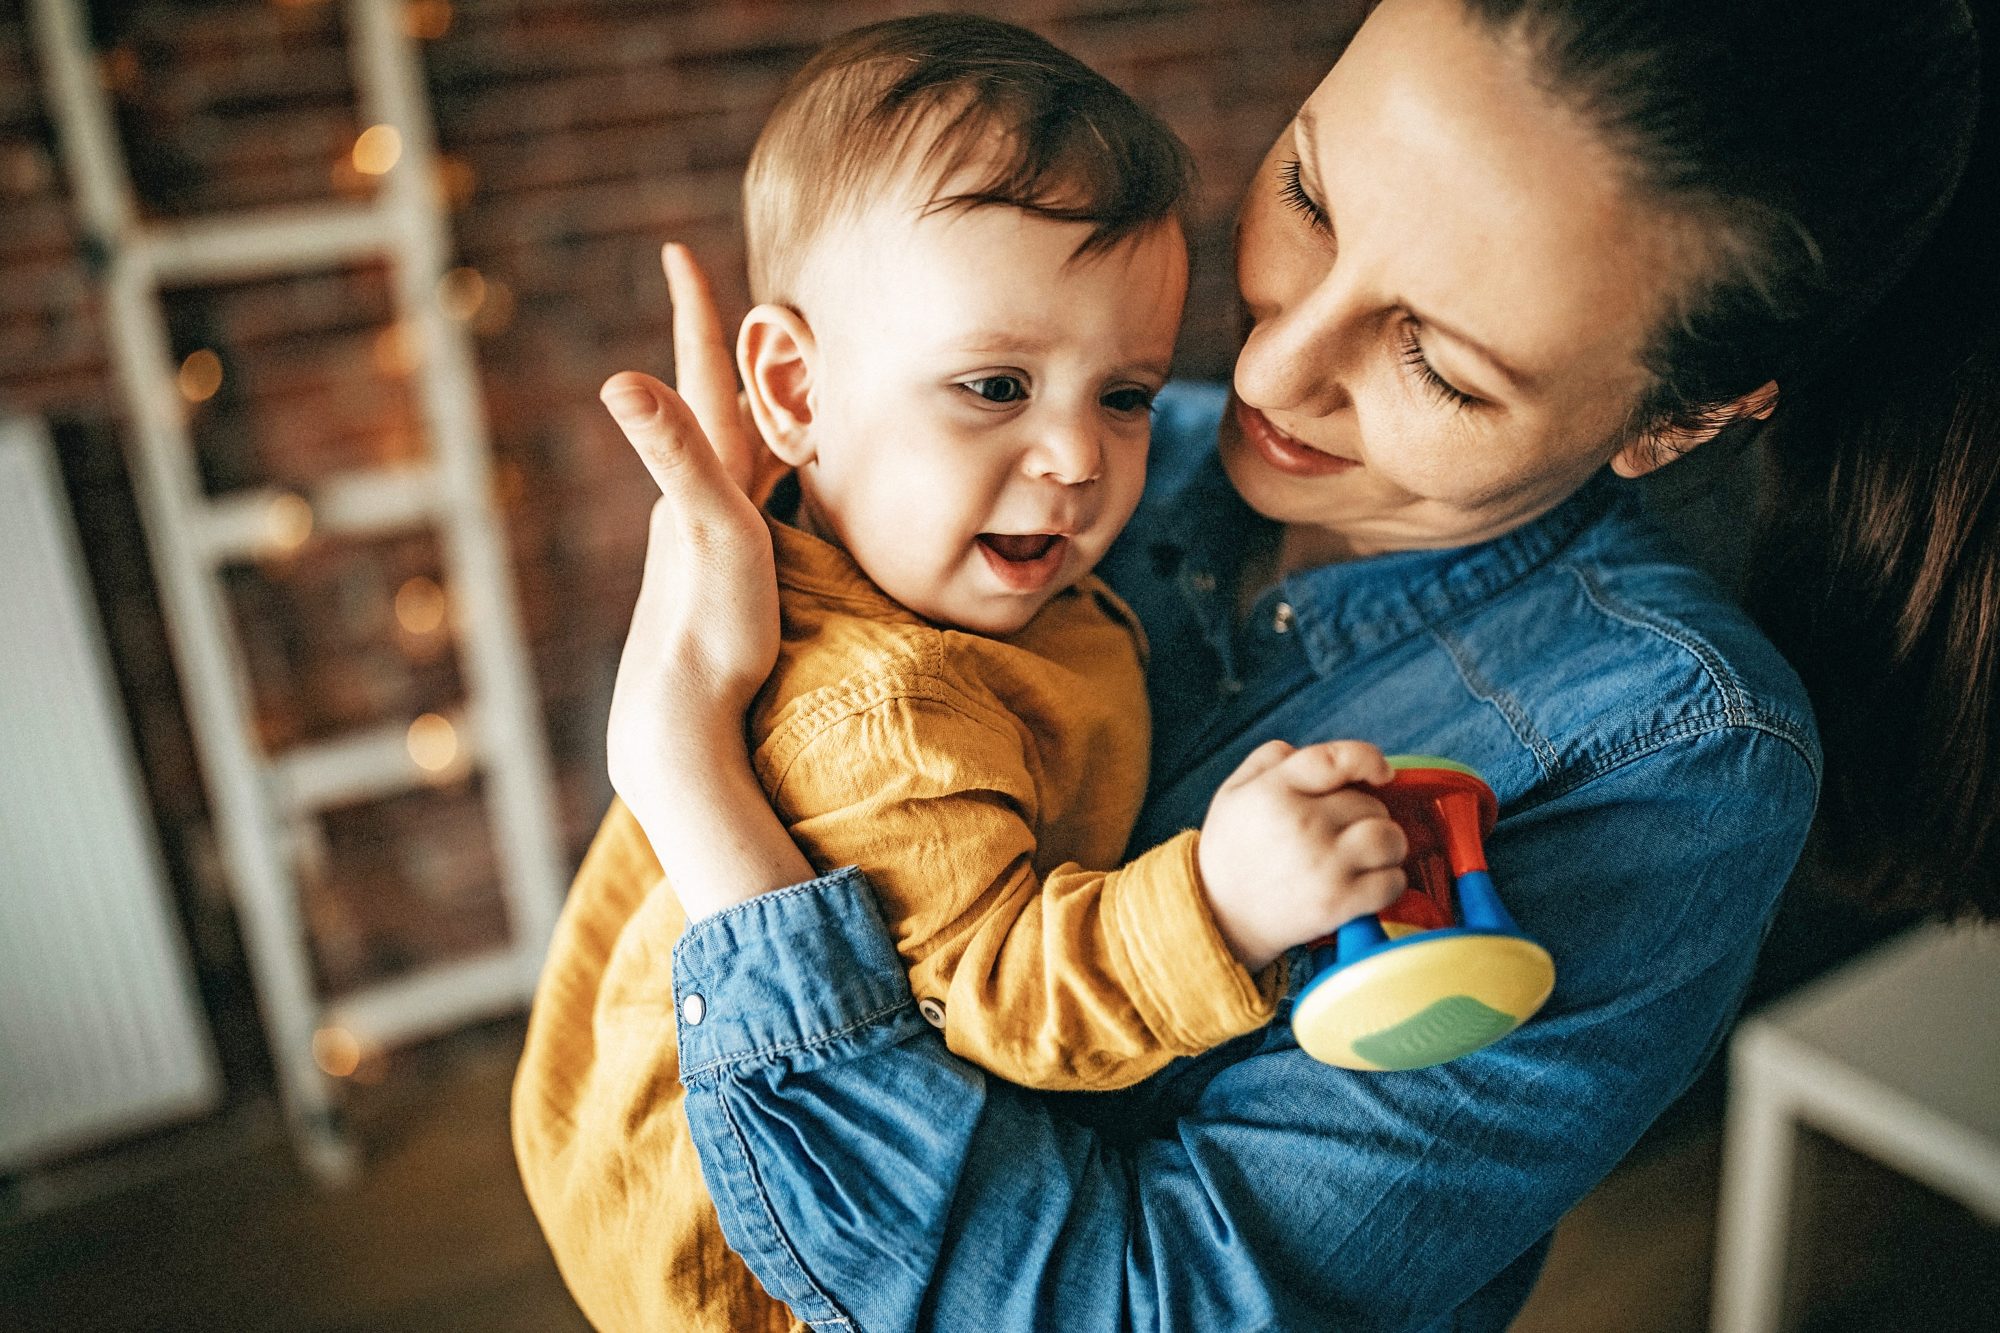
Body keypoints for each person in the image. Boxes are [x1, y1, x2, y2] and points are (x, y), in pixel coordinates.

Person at [520, 0, 2000, 1328]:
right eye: (1307, 189)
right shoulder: (1117, 476)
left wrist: (685, 773)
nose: (1271, 373)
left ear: (1677, 423)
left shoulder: (1670, 748)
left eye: (1440, 361)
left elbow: (1153, 1306)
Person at [512, 17, 1418, 1332]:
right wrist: (1218, 905)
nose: (1081, 459)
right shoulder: (887, 716)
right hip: (778, 1266)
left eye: (1123, 391)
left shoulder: (925, 548)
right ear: (793, 389)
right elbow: (1001, 988)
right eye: (996, 384)